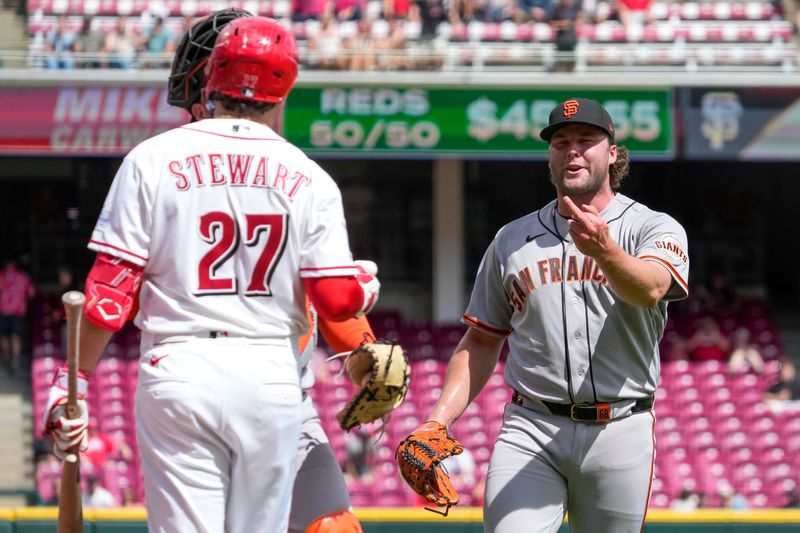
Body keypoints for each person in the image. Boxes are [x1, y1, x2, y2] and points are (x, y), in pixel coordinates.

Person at [41, 15, 380, 533]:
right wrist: (363, 285)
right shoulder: (309, 175)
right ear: (284, 91)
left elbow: (110, 295)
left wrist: (74, 383)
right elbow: (336, 299)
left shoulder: (151, 158)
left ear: (211, 80)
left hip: (179, 366)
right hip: (269, 373)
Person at [400, 98, 689, 532]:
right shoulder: (511, 239)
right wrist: (438, 420)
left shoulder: (651, 227)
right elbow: (480, 340)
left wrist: (606, 252)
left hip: (621, 426)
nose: (572, 150)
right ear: (549, 157)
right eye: (561, 142)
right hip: (530, 427)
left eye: (586, 140)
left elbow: (649, 289)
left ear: (612, 153)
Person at [166, 9, 383, 531]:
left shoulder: (294, 175)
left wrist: (362, 349)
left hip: (282, 396)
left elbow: (314, 293)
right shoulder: (172, 171)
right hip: (200, 386)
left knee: (333, 526)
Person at [0, 259, 35, 375]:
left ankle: (6, 356)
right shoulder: (23, 276)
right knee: (16, 336)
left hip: (3, 310)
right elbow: (31, 293)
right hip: (18, 311)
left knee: (4, 336)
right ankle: (15, 359)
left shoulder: (2, 275)